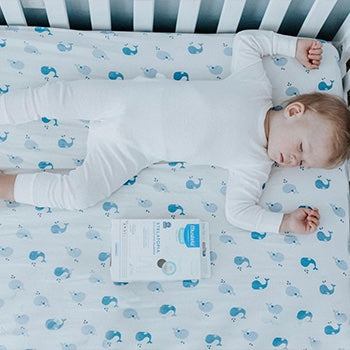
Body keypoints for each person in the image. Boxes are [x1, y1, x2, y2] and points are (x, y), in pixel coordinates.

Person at [0, 30, 348, 235]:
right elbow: (247, 42)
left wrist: (284, 223)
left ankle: (5, 186)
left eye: (302, 164)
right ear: (294, 111)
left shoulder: (254, 165)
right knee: (53, 97)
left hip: (131, 149)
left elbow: (238, 213)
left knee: (79, 194)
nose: (293, 160)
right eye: (301, 147)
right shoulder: (254, 88)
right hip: (123, 102)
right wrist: (292, 47)